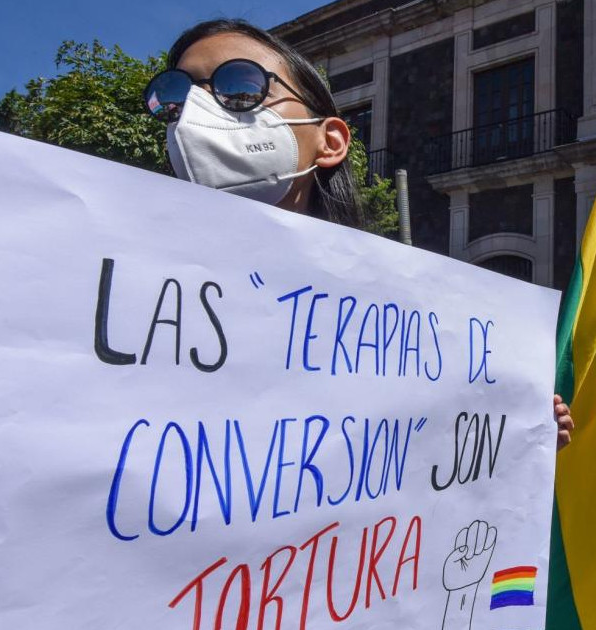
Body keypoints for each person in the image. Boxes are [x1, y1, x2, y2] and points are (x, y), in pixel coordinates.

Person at [148, 20, 573, 447]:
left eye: (241, 87)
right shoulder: (132, 288)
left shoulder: (400, 315)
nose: (196, 115)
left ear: (330, 141)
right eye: (177, 96)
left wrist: (514, 437)